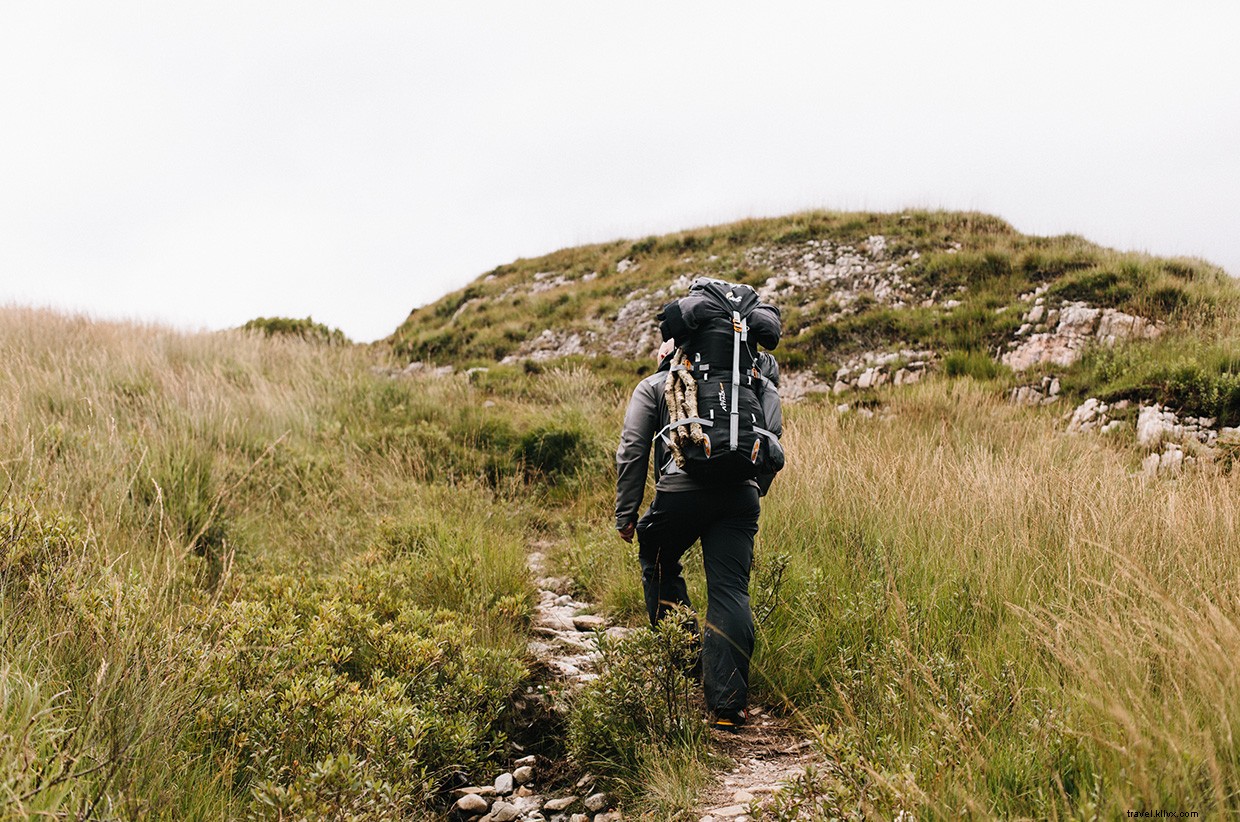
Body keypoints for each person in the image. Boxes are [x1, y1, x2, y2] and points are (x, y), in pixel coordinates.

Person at [614, 328, 783, 732]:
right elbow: (770, 442)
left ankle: (688, 660)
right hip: (740, 497)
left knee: (657, 561)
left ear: (677, 345)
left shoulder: (657, 383)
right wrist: (754, 490)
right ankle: (728, 706)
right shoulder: (755, 383)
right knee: (730, 590)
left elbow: (632, 447)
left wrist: (626, 513)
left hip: (680, 492)